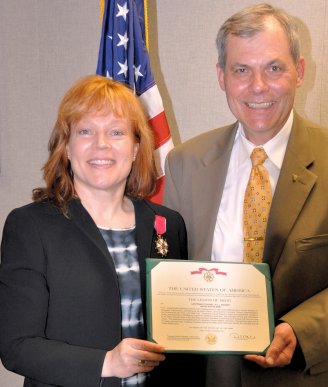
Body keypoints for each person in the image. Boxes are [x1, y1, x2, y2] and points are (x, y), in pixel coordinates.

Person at [163, 3, 328, 387]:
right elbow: (167, 272)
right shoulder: (184, 164)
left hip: (305, 376)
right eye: (242, 70)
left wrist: (302, 329)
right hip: (205, 376)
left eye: (274, 68)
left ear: (299, 71)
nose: (258, 86)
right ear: (222, 77)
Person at [0, 75, 204, 387]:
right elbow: (16, 347)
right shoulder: (30, 227)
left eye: (116, 132)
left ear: (136, 148)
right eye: (86, 131)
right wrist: (106, 363)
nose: (101, 144)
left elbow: (180, 332)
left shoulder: (168, 225)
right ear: (66, 146)